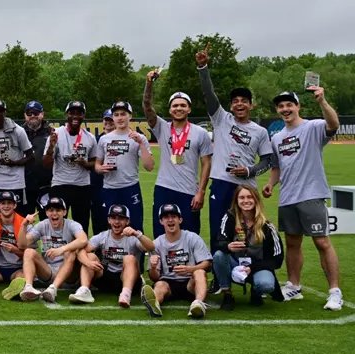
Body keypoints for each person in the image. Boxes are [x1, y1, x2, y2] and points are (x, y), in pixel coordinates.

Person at [264, 87, 344, 310]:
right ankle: (294, 286)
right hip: (288, 197)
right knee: (292, 243)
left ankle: (335, 291)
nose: (285, 109)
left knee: (321, 242)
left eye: (289, 105)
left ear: (297, 106)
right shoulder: (277, 137)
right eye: (281, 106)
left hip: (311, 194)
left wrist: (322, 101)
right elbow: (278, 167)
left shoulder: (313, 127)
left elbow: (334, 125)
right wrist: (271, 184)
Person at [196, 45, 276, 252]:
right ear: (231, 106)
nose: (239, 104)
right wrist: (203, 68)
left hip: (246, 187)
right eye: (235, 101)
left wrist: (249, 171)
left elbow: (268, 161)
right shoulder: (222, 119)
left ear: (251, 105)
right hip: (222, 183)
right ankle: (219, 274)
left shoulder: (259, 131)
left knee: (247, 231)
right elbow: (208, 93)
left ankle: (247, 271)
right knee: (218, 230)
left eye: (244, 101)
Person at [145, 73, 213, 237]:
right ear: (170, 109)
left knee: (190, 234)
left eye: (183, 105)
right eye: (175, 105)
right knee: (161, 233)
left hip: (189, 191)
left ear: (189, 108)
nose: (179, 108)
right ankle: (160, 262)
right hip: (164, 188)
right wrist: (149, 83)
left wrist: (201, 192)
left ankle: (191, 263)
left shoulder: (200, 133)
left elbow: (206, 163)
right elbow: (147, 106)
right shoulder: (162, 127)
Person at [214, 185, 284, 310]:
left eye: (250, 197)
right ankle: (227, 294)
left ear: (256, 199)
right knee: (219, 255)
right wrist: (228, 246)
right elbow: (218, 241)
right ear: (236, 201)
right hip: (235, 263)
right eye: (241, 198)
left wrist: (252, 268)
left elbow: (277, 259)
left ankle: (256, 291)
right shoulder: (229, 217)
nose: (246, 201)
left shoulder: (267, 226)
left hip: (257, 266)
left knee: (266, 285)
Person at [71, 204, 154, 307]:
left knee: (129, 258)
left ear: (127, 221)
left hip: (126, 278)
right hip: (106, 278)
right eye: (113, 218)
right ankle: (84, 290)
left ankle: (126, 294)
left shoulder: (133, 237)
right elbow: (80, 250)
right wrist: (88, 262)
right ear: (109, 220)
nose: (117, 221)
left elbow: (151, 247)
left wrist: (137, 234)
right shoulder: (103, 236)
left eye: (121, 218)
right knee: (90, 257)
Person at [93, 101, 154, 233]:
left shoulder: (139, 138)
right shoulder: (104, 139)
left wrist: (141, 144)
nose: (120, 117)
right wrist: (100, 168)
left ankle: (138, 254)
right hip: (109, 189)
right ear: (113, 117)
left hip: (130, 188)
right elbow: (97, 165)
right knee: (111, 228)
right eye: (116, 114)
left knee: (135, 226)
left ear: (130, 116)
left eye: (123, 114)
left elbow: (149, 166)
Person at [17, 197, 88, 303]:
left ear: (64, 212)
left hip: (68, 276)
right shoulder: (42, 225)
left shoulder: (72, 224)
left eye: (58, 210)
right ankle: (28, 287)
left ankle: (53, 289)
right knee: (28, 252)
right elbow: (22, 245)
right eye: (51, 210)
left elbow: (83, 240)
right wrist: (24, 225)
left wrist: (61, 249)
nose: (54, 213)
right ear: (46, 213)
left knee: (70, 252)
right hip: (48, 272)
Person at [148, 203, 212, 318]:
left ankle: (198, 304)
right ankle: (154, 304)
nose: (170, 220)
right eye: (166, 217)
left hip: (190, 282)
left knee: (200, 272)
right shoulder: (157, 243)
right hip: (168, 282)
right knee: (159, 285)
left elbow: (207, 263)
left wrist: (191, 269)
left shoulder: (193, 238)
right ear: (161, 222)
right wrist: (153, 267)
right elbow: (154, 277)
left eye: (174, 216)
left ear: (180, 220)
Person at [44, 101, 96, 233]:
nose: (75, 116)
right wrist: (51, 146)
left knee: (82, 225)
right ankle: (58, 252)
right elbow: (46, 163)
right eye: (72, 113)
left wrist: (84, 163)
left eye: (79, 113)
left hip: (82, 186)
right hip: (60, 185)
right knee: (57, 225)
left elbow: (94, 163)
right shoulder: (56, 134)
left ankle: (79, 253)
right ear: (66, 114)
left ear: (83, 116)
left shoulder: (90, 138)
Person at [0, 99, 33, 216]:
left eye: (0, 111)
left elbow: (31, 157)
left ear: (5, 113)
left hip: (15, 183)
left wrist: (15, 162)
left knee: (18, 217)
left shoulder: (18, 131)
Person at [0, 191, 28, 300]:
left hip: (18, 267)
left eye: (9, 203)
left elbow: (29, 254)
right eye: (3, 203)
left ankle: (13, 291)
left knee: (21, 278)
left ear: (15, 205)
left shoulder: (24, 224)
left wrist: (15, 250)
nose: (6, 206)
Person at [21, 100, 54, 217]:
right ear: (25, 115)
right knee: (25, 224)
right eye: (29, 113)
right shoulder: (19, 133)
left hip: (46, 186)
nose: (32, 116)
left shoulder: (51, 132)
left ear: (42, 114)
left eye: (36, 113)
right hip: (24, 186)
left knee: (48, 223)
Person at [90, 109, 116, 234]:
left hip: (115, 183)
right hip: (96, 184)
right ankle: (98, 248)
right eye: (106, 120)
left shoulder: (122, 139)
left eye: (111, 120)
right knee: (98, 216)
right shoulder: (95, 139)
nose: (108, 122)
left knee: (115, 216)